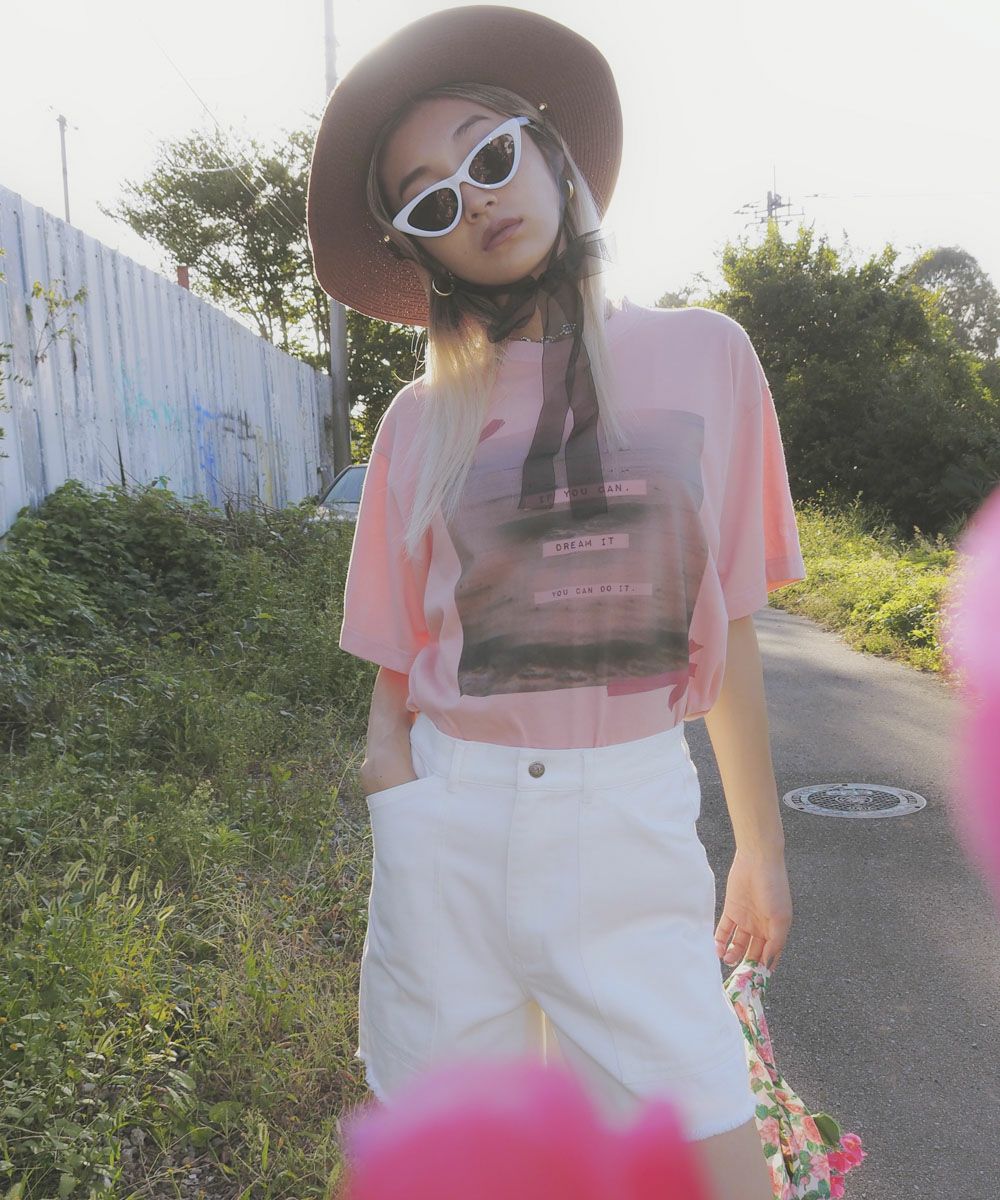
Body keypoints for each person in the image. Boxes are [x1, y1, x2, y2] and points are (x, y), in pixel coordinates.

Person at [307, 7, 807, 1198]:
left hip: (627, 821)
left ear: (546, 146)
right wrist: (392, 787)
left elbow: (728, 621)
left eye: (488, 155)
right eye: (432, 203)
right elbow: (398, 653)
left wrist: (760, 851)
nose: (476, 201)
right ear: (424, 253)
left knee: (715, 1174)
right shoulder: (418, 422)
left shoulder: (707, 356)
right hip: (453, 822)